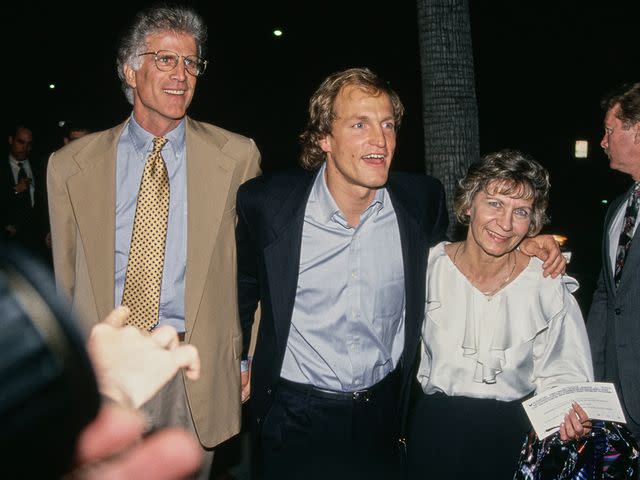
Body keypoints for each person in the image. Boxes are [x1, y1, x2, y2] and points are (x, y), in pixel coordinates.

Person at [236, 68, 565, 479]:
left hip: (385, 417)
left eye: (388, 124)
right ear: (324, 138)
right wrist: (239, 362)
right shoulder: (269, 203)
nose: (380, 139)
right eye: (360, 124)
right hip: (295, 415)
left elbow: (459, 255)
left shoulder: (420, 201)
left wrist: (524, 245)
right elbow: (243, 283)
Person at [47, 4, 261, 478]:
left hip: (192, 368)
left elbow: (253, 269)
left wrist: (247, 357)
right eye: (165, 59)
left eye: (191, 63)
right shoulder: (71, 164)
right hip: (109, 367)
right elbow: (64, 273)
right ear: (130, 69)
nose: (181, 75)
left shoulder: (237, 156)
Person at [407, 149, 594, 479]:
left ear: (532, 223)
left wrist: (570, 414)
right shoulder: (428, 268)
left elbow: (566, 369)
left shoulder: (546, 282)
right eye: (495, 204)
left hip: (515, 440)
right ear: (468, 205)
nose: (506, 224)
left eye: (520, 211)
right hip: (435, 435)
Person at [587, 82, 640, 449]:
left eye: (610, 130)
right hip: (619, 399)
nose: (603, 142)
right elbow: (607, 298)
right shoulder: (616, 210)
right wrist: (589, 378)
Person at [1, 124, 49, 260]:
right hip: (9, 240)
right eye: (21, 142)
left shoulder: (41, 166)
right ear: (11, 140)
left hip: (37, 239)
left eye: (29, 144)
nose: (25, 148)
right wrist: (15, 190)